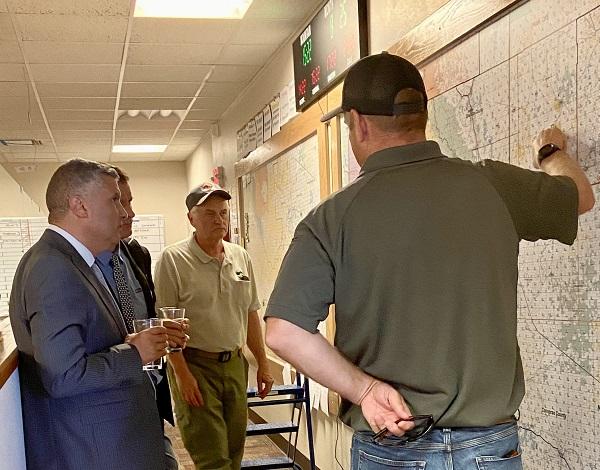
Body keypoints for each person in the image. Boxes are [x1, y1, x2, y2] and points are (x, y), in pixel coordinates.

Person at [264, 52, 595, 469]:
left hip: (392, 448)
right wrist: (550, 153)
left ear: (359, 122)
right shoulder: (493, 185)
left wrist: (365, 391)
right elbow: (579, 195)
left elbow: (283, 331)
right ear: (422, 115)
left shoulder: (329, 220)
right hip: (491, 449)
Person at [9, 158, 171, 470]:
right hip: (94, 451)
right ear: (79, 206)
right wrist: (135, 352)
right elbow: (64, 376)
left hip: (112, 442)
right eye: (114, 200)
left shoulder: (73, 261)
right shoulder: (52, 267)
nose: (124, 212)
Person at [154, 182, 274, 470]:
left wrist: (263, 364)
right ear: (191, 219)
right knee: (212, 459)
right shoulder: (173, 259)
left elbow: (250, 314)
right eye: (209, 213)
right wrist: (182, 374)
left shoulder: (239, 256)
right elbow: (165, 325)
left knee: (234, 453)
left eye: (223, 213)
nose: (219, 220)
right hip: (195, 364)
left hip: (234, 364)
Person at [96, 165, 186, 470]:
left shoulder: (137, 254)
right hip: (114, 394)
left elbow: (141, 316)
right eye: (120, 203)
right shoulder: (85, 265)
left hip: (148, 389)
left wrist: (162, 330)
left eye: (130, 202)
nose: (129, 213)